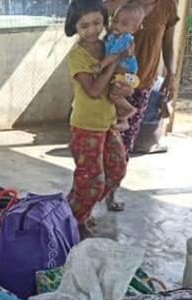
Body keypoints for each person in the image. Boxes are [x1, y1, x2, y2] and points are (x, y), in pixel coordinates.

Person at [65, 0, 130, 236]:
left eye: (97, 22)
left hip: (108, 121)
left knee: (117, 169)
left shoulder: (109, 46)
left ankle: (78, 207)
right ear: (74, 27)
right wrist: (113, 63)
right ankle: (76, 220)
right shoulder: (77, 56)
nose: (92, 30)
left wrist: (126, 87)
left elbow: (124, 75)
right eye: (84, 25)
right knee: (92, 179)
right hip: (85, 126)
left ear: (105, 21)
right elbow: (93, 91)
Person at [118, 0, 179, 154]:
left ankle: (116, 174)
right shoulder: (125, 3)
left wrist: (171, 73)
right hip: (116, 80)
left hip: (144, 81)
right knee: (109, 134)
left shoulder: (167, 6)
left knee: (127, 138)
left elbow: (168, 44)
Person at [95, 3, 145, 129]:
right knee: (113, 94)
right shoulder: (113, 36)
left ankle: (129, 111)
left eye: (123, 24)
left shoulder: (124, 39)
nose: (117, 25)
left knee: (114, 94)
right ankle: (123, 119)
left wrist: (101, 66)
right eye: (115, 21)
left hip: (127, 73)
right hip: (120, 72)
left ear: (133, 29)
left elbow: (113, 56)